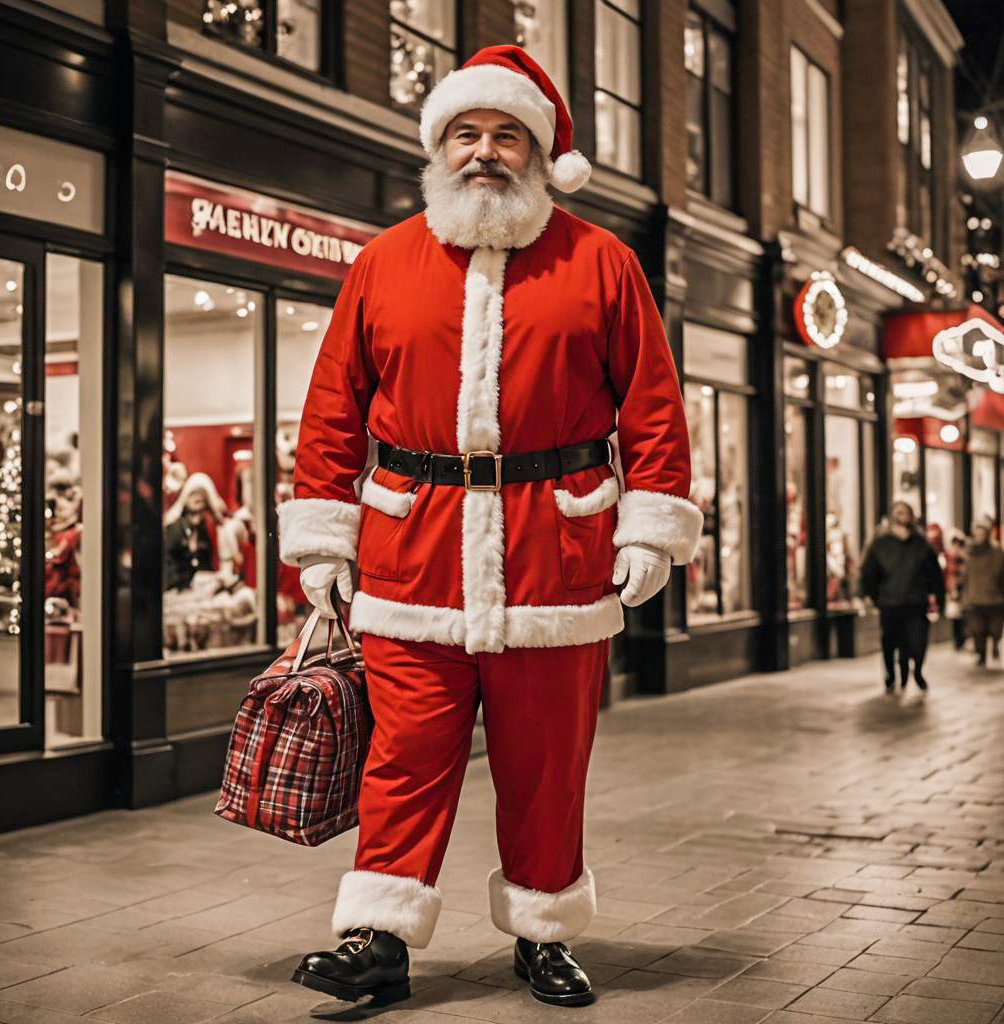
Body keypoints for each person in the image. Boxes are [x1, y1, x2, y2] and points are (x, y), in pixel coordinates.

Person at [277, 45, 701, 1009]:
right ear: (437, 147)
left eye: (507, 135)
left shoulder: (604, 262)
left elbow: (653, 407)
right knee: (404, 760)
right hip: (410, 553)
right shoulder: (383, 262)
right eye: (465, 134)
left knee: (546, 767)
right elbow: (334, 409)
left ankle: (543, 936)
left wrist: (648, 527)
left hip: (555, 553)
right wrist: (323, 537)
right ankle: (376, 937)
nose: (484, 152)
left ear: (541, 152)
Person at [861, 501, 945, 692]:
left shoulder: (921, 544)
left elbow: (934, 574)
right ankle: (892, 674)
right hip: (890, 602)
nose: (901, 516)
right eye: (897, 512)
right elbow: (868, 572)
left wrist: (938, 598)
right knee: (890, 641)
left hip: (916, 601)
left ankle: (917, 672)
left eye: (905, 512)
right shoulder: (880, 543)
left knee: (917, 641)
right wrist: (871, 596)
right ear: (892, 516)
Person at [962, 520, 1004, 666]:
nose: (980, 537)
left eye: (982, 534)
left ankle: (994, 645)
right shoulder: (970, 553)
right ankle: (981, 654)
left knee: (995, 629)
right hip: (974, 598)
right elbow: (965, 576)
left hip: (995, 598)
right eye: (977, 534)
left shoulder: (997, 552)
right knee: (977, 630)